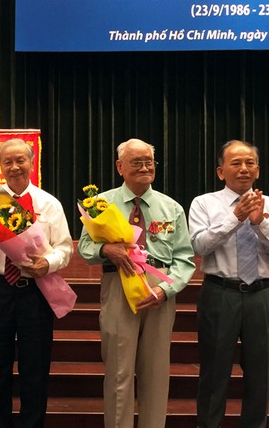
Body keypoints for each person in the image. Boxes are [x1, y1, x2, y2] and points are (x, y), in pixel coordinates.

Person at [77, 138, 195, 428]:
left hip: (159, 288)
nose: (145, 167)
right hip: (119, 284)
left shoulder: (172, 208)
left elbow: (184, 259)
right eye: (136, 162)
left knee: (156, 372)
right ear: (120, 167)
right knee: (119, 370)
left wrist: (165, 290)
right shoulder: (101, 204)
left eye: (149, 162)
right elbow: (84, 248)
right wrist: (107, 250)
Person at [0, 138, 73, 427]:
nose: (14, 167)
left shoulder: (48, 204)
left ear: (31, 162)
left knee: (35, 368)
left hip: (35, 292)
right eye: (8, 162)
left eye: (20, 160)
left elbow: (65, 248)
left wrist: (48, 263)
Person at [188, 140, 269, 427]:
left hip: (262, 296)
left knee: (259, 374)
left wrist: (259, 223)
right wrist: (235, 217)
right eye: (236, 163)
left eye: (250, 163)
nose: (244, 169)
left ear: (258, 169)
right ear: (220, 171)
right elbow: (199, 246)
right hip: (220, 293)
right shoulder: (204, 203)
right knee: (214, 374)